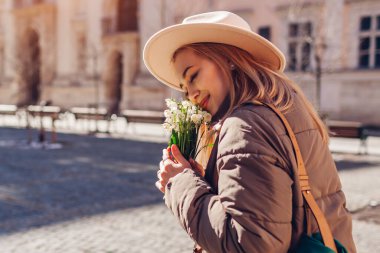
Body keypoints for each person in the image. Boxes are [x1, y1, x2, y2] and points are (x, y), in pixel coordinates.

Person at [143, 11, 356, 253]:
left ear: (228, 59)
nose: (190, 93)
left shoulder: (246, 125)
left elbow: (250, 244)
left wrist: (180, 183)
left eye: (193, 75)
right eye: (184, 87)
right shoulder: (284, 105)